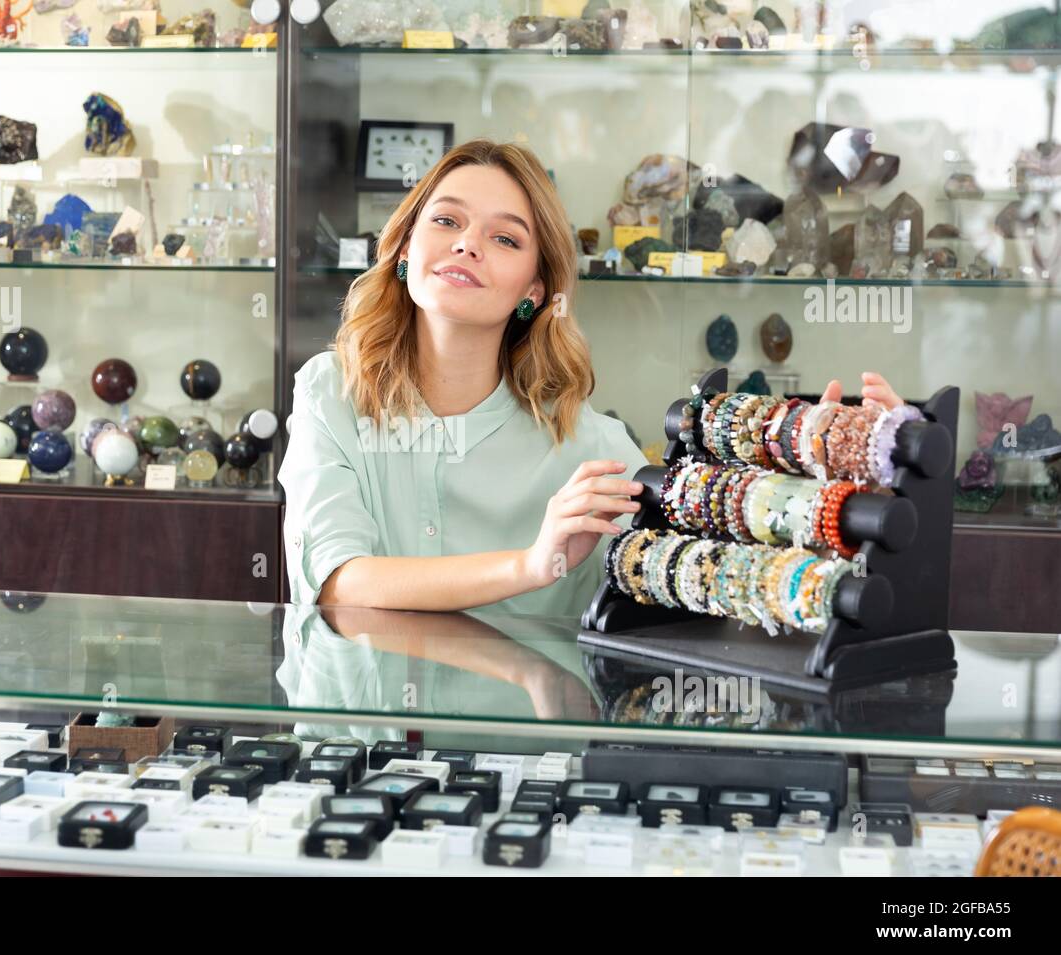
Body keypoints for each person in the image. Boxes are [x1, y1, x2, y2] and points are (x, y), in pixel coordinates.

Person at [279, 138, 904, 619]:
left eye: (503, 237)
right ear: (404, 248)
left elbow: (721, 576)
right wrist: (533, 563)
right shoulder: (329, 394)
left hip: (521, 770)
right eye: (445, 221)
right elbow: (341, 583)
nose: (467, 245)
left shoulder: (589, 450)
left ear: (534, 290)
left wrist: (835, 485)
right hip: (350, 757)